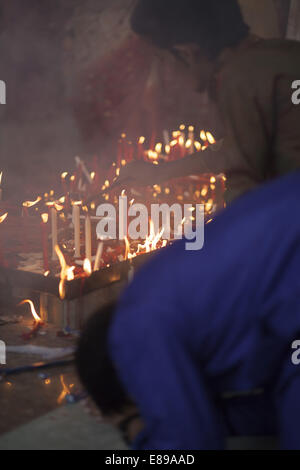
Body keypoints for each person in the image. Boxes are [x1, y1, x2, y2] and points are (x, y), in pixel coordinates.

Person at [76, 170, 300, 450]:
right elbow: (274, 406)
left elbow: (189, 445)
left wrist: (136, 430)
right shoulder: (154, 295)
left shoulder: (134, 332)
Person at [114, 0, 300, 204]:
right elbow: (234, 149)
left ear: (187, 53)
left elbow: (243, 195)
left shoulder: (239, 79)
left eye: (161, 60)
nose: (167, 72)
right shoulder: (279, 54)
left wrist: (209, 233)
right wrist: (160, 172)